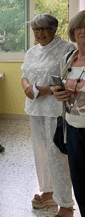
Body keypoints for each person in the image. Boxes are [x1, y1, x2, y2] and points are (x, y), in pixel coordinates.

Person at [21, 14, 75, 217]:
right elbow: (24, 75)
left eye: (44, 29)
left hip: (56, 110)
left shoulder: (66, 49)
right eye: (36, 29)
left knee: (57, 155)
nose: (39, 33)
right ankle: (49, 192)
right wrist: (27, 86)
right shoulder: (32, 51)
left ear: (54, 29)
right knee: (41, 153)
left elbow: (71, 79)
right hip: (35, 108)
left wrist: (46, 90)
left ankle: (66, 204)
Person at [53, 10, 85, 217]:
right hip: (72, 127)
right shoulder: (69, 58)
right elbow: (60, 87)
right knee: (80, 182)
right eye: (79, 27)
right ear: (73, 31)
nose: (83, 31)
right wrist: (57, 92)